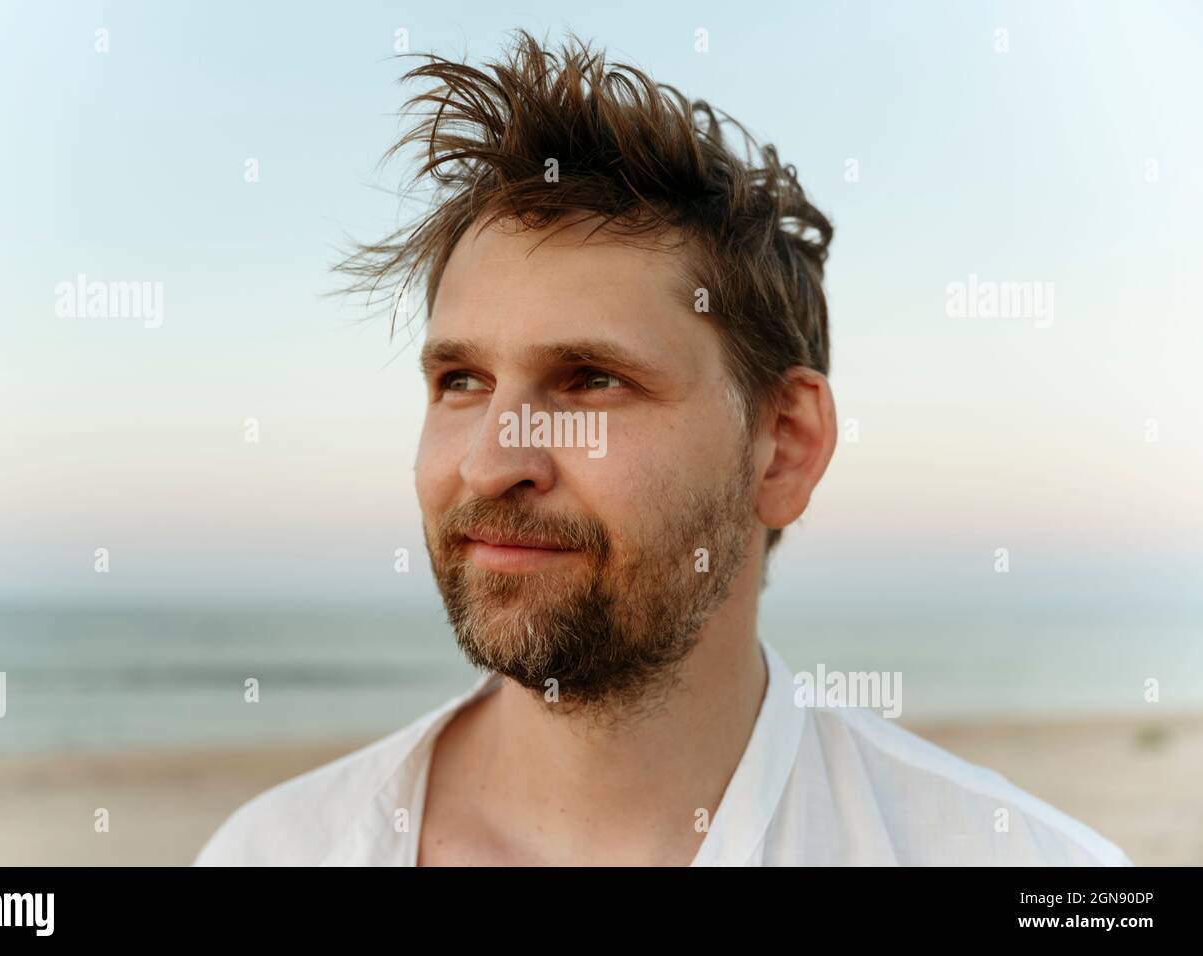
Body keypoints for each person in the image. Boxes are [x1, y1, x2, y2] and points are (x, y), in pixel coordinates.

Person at [195, 29, 1131, 866]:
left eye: (593, 380)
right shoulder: (273, 851)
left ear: (784, 447)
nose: (490, 462)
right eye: (462, 382)